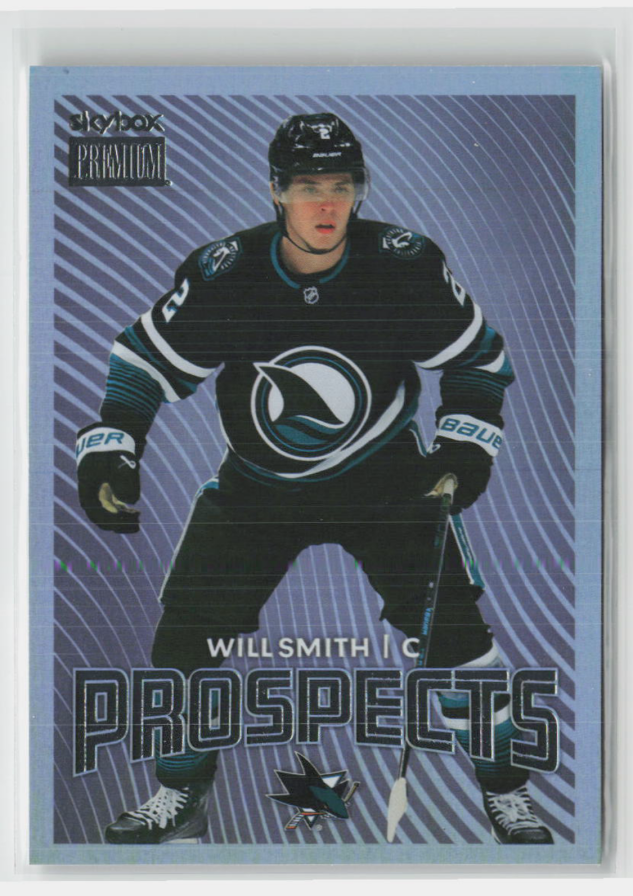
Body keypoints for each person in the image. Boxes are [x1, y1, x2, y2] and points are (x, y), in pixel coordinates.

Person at [76, 113, 553, 845]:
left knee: (457, 638)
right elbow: (142, 363)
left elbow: (476, 357)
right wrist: (114, 446)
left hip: (389, 479)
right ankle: (180, 793)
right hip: (258, 486)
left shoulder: (402, 264)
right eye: (307, 187)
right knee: (184, 639)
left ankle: (507, 790)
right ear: (275, 191)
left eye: (340, 186)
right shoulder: (227, 272)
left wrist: (465, 447)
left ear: (360, 190)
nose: (326, 205)